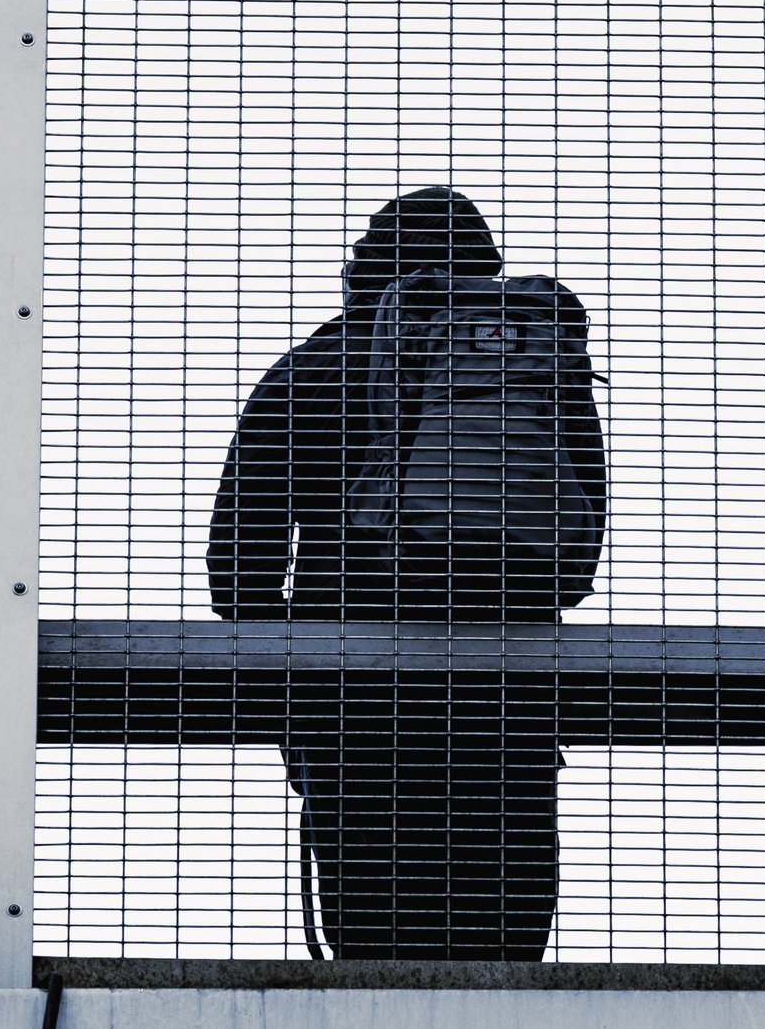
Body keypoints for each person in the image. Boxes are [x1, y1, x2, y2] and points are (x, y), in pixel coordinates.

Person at [207, 186, 606, 960]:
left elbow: (237, 571)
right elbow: (576, 551)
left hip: (355, 714)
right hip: (508, 706)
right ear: (488, 273)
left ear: (361, 274)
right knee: (504, 972)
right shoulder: (534, 366)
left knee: (374, 966)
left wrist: (299, 671)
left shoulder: (310, 373)